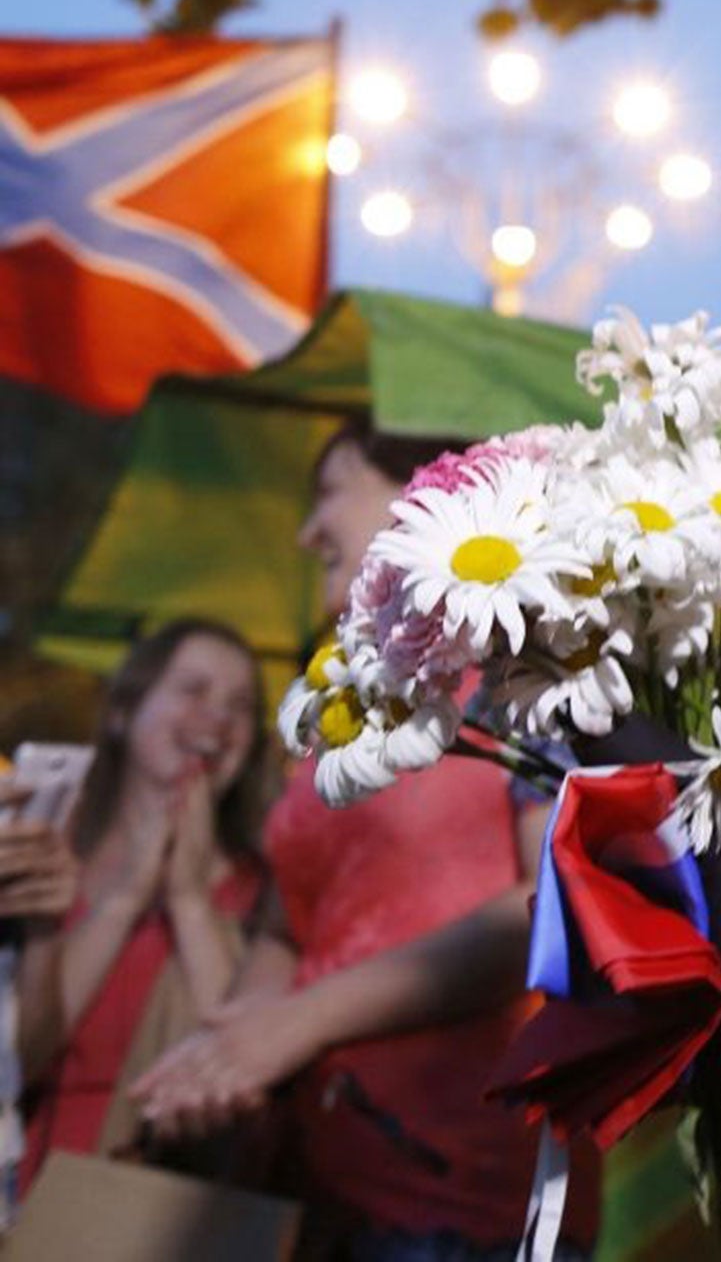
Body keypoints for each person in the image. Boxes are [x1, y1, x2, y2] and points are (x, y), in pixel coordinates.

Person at [130, 420, 600, 1262]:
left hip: (460, 1210)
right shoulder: (336, 709)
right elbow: (287, 924)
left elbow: (555, 903)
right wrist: (227, 1056)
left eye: (331, 488)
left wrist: (296, 1026)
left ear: (423, 490)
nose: (309, 530)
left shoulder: (519, 668)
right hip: (312, 1193)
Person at [13, 618, 271, 1185]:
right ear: (122, 712)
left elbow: (245, 1069)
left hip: (153, 1201)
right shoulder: (41, 852)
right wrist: (127, 895)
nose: (219, 718)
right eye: (193, 690)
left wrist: (190, 900)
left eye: (241, 705)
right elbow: (21, 1060)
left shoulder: (266, 888)